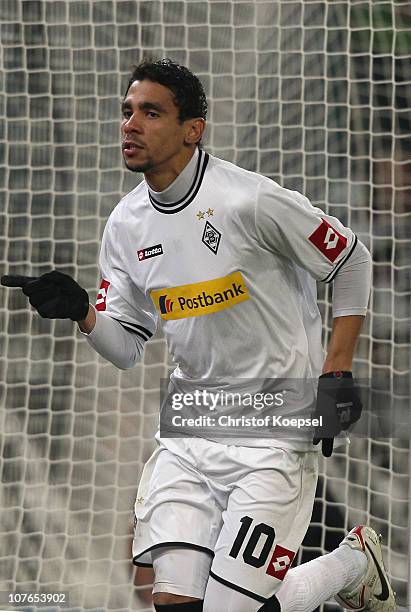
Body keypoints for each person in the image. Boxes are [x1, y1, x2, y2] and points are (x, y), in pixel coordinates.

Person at [1, 59, 396, 612]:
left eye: (150, 112)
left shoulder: (248, 200)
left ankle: (352, 563)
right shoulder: (125, 225)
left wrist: (336, 369)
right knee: (176, 605)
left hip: (276, 428)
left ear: (193, 129)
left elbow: (351, 261)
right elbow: (127, 349)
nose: (130, 125)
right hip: (192, 428)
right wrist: (84, 316)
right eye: (127, 111)